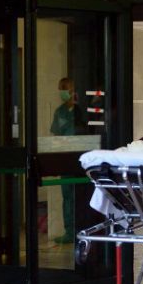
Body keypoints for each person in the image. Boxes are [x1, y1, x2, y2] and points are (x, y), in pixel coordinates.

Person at [50, 77, 87, 244]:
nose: (62, 93)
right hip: (64, 157)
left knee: (79, 194)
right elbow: (56, 134)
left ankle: (81, 229)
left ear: (72, 91)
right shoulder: (60, 112)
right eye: (60, 89)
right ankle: (69, 231)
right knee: (66, 196)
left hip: (80, 158)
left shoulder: (81, 112)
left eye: (64, 89)